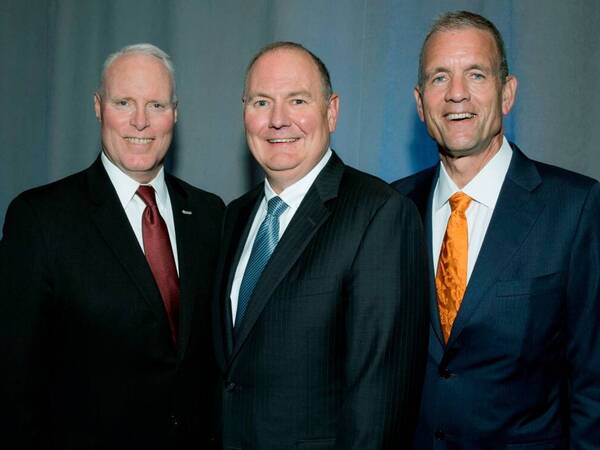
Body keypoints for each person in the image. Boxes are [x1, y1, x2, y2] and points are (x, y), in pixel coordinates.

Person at [392, 10, 600, 449]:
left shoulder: (576, 208)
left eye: (476, 75)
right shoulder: (391, 210)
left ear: (507, 94)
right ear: (419, 101)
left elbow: (592, 382)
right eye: (439, 78)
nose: (457, 94)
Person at [0, 43, 224, 449]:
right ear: (98, 107)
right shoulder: (40, 219)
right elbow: (14, 381)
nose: (141, 121)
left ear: (176, 113)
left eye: (156, 105)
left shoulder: (210, 215)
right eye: (124, 102)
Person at [212, 41, 429, 449]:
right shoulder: (234, 216)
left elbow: (378, 405)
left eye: (297, 100)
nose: (278, 120)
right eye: (261, 102)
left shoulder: (378, 214)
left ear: (332, 111)